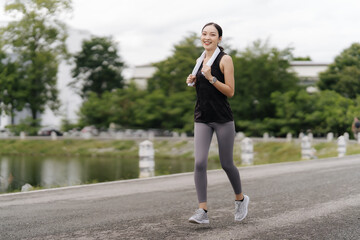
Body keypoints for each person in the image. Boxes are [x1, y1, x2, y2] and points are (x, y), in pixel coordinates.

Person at [186, 22, 249, 224]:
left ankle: (240, 198)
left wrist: (211, 78)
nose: (207, 37)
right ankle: (202, 211)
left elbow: (230, 91)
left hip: (222, 118)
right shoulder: (199, 60)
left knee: (226, 163)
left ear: (219, 39)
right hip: (202, 117)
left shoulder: (225, 59)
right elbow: (202, 87)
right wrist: (195, 79)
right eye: (204, 34)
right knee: (199, 162)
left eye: (212, 34)